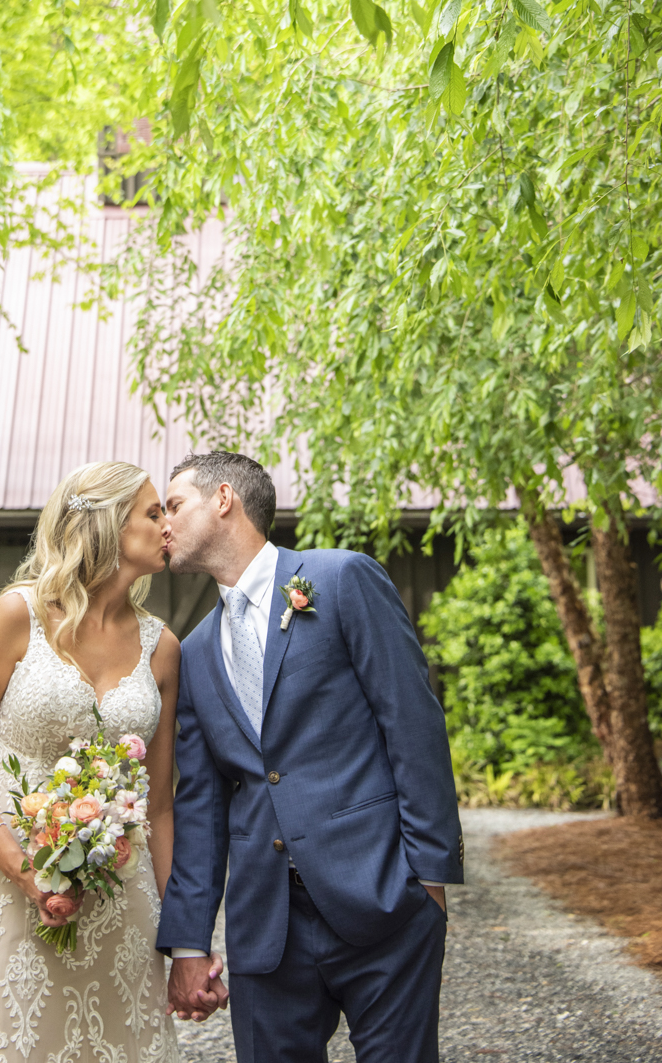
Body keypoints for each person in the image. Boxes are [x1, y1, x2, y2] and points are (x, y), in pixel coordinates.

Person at [157, 451, 464, 1063]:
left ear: (224, 499)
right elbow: (199, 805)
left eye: (173, 505)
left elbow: (413, 723)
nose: (161, 524)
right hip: (265, 930)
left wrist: (430, 879)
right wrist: (188, 942)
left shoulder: (342, 579)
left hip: (381, 899)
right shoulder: (191, 654)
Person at [0, 461, 192, 1063]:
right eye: (153, 513)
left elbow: (158, 805)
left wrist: (185, 940)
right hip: (9, 888)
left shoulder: (164, 649)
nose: (166, 524)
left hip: (122, 904)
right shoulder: (18, 616)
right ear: (106, 525)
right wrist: (23, 868)